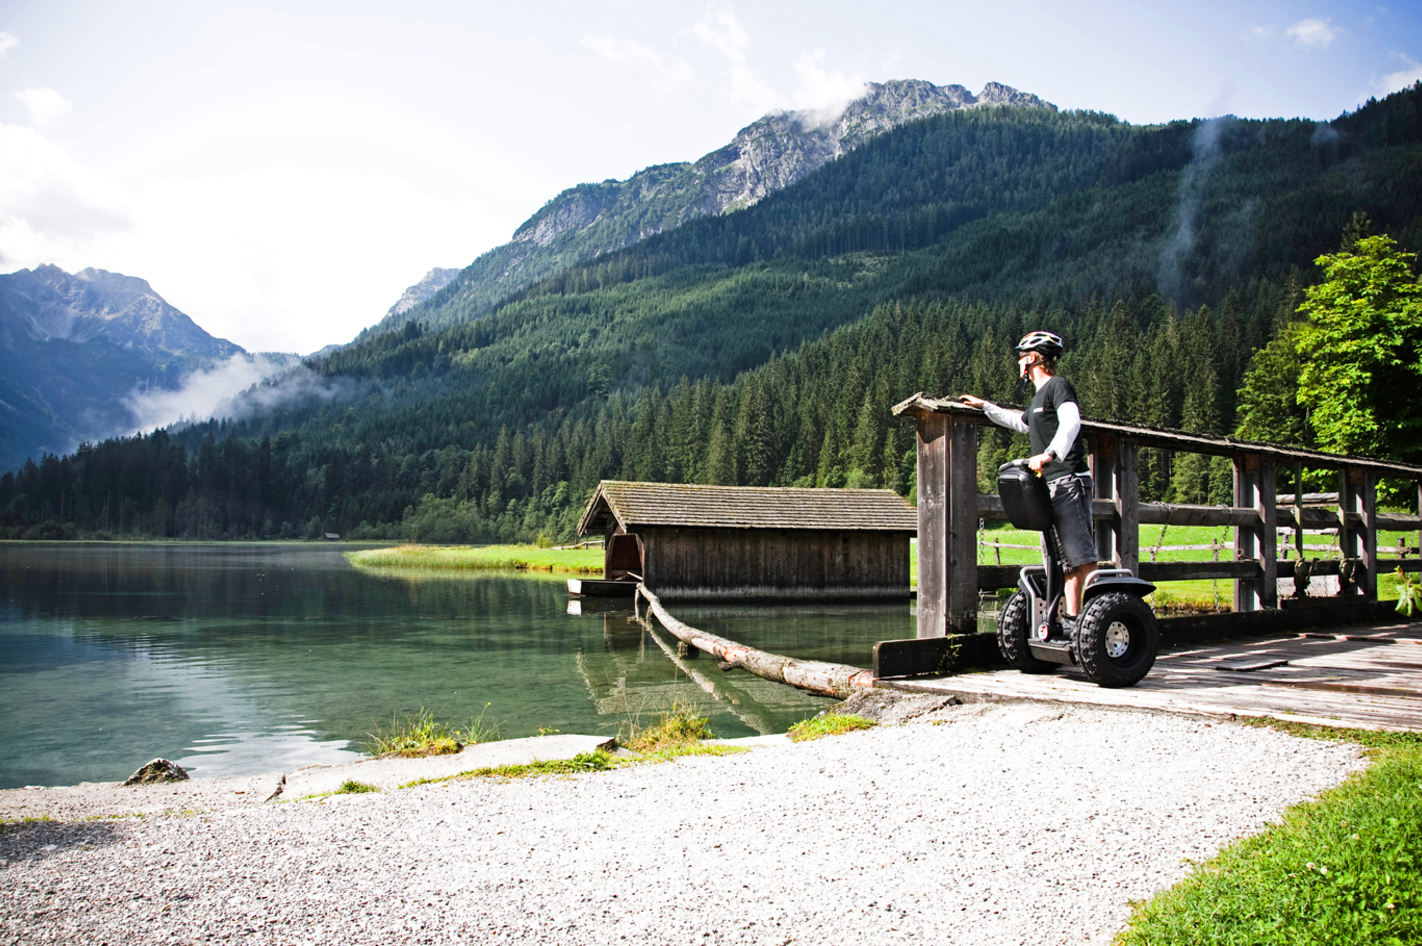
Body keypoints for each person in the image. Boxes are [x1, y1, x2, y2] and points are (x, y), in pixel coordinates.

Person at [960, 331, 1098, 633]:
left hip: (1069, 479)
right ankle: (1072, 623)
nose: (1019, 362)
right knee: (1063, 560)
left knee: (1081, 558)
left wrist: (1049, 453)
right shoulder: (1038, 397)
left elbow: (1072, 421)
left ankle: (1092, 621)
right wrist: (985, 406)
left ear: (1033, 358)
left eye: (1022, 356)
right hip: (1048, 484)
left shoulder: (1058, 387)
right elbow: (1021, 424)